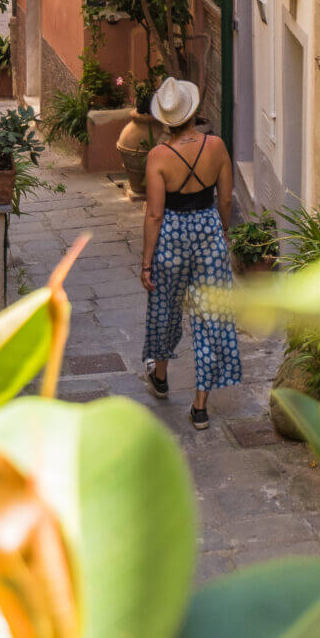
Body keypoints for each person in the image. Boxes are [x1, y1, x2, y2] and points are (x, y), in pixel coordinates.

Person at [141, 76, 242, 430]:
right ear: (193, 111)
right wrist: (222, 231)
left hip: (171, 235)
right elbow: (226, 198)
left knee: (165, 307)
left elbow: (154, 213)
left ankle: (162, 376)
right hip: (208, 232)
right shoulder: (216, 147)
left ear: (165, 119)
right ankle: (200, 405)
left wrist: (146, 261)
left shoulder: (157, 157)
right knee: (210, 315)